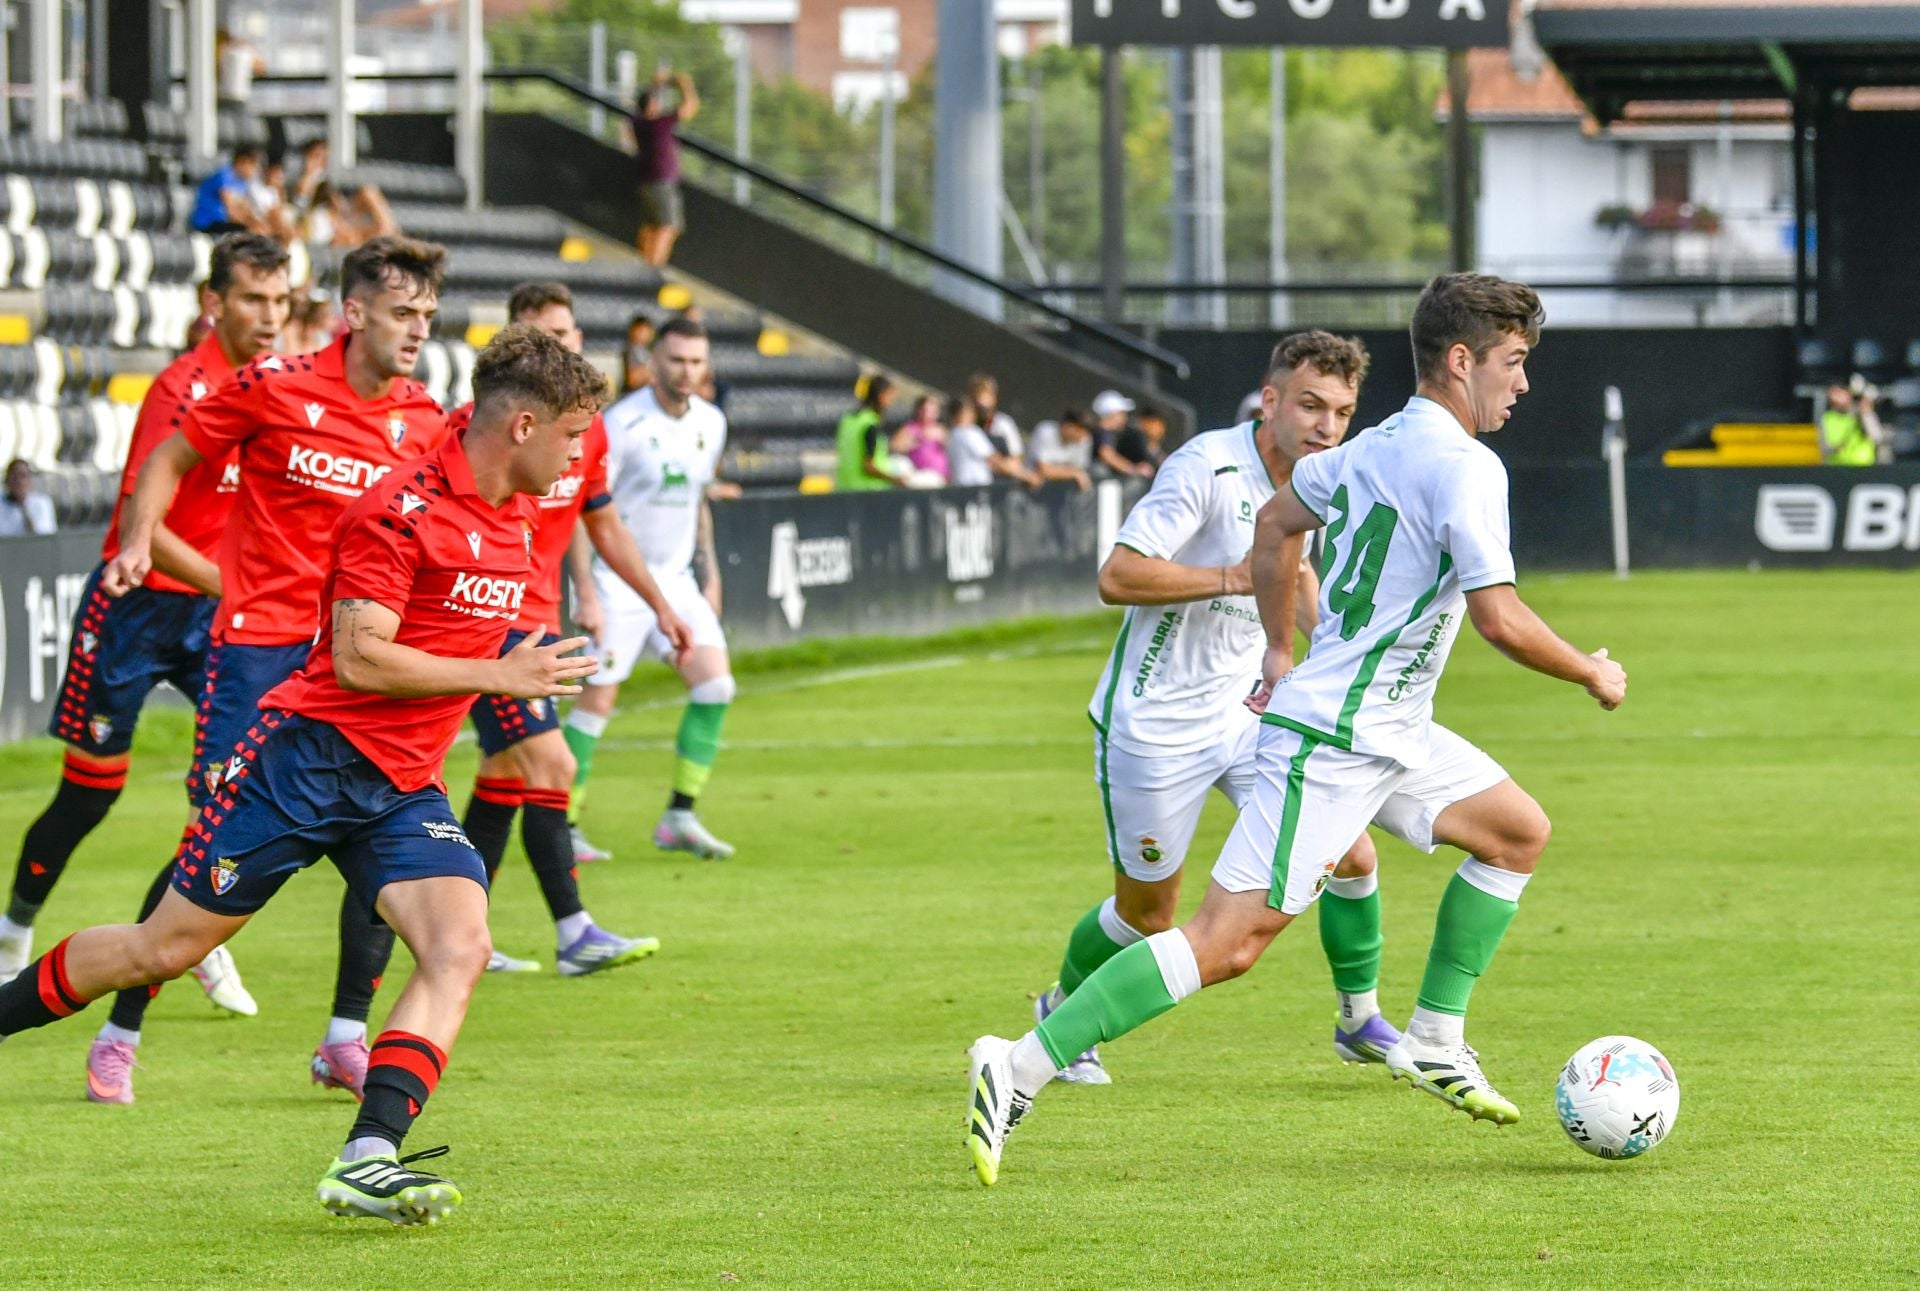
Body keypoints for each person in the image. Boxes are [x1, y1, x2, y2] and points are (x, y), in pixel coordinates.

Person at [966, 273, 1630, 1185]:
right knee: (1225, 941)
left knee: (1517, 832)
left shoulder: (1367, 449)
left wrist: (1280, 647)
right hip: (1336, 740)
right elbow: (1499, 618)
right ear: (1461, 359)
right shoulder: (1468, 466)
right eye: (1513, 362)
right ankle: (1018, 1063)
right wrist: (1590, 669)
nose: (1522, 382)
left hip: (1390, 725)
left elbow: (1277, 524)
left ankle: (1435, 1037)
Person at [0, 324, 611, 1225]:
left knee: (460, 945)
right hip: (303, 765)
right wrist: (498, 674)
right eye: (572, 434)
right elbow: (360, 658)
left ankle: (368, 1156)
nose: (578, 457)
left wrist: (517, 669)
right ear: (523, 426)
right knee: (162, 949)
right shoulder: (397, 511)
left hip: (400, 787)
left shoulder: (512, 512)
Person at [86, 236, 453, 1105]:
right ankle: (118, 1034)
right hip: (256, 649)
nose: (418, 330)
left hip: (352, 660)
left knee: (382, 830)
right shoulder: (275, 385)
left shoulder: (426, 420)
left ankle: (345, 1037)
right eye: (402, 312)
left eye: (428, 315)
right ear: (353, 312)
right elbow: (168, 459)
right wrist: (139, 536)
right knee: (210, 844)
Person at [1028, 332, 1384, 1089]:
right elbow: (1118, 575)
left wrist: (1339, 647)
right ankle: (1059, 1012)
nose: (1326, 426)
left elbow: (1297, 570)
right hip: (1156, 724)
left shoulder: (1320, 476)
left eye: (1341, 412)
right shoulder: (1206, 466)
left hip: (1248, 712)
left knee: (1350, 850)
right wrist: (1236, 575)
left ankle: (1359, 1020)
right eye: (1311, 405)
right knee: (1148, 916)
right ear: (1270, 400)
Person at [0, 236, 291, 1026]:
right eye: (253, 299)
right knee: (88, 795)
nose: (269, 316)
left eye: (280, 300)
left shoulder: (282, 388)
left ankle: (194, 931)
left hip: (216, 618)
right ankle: (15, 926)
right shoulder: (181, 388)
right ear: (214, 303)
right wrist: (242, 584)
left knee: (233, 790)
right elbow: (144, 524)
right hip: (136, 608)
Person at [453, 282, 692, 977]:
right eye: (544, 333)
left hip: (538, 625)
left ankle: (461, 935)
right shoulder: (479, 427)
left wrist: (658, 603)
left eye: (567, 332)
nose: (560, 344)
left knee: (504, 773)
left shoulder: (588, 427)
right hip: (489, 626)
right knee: (553, 765)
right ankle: (574, 932)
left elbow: (603, 522)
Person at [564, 316, 738, 862]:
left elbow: (699, 501)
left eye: (696, 362)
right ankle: (564, 823)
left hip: (676, 580)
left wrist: (710, 574)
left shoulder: (712, 422)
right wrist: (586, 590)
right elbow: (585, 507)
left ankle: (679, 816)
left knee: (716, 686)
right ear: (654, 363)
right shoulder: (620, 424)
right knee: (596, 703)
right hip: (617, 581)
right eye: (677, 360)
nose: (686, 371)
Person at [630, 68, 700, 268]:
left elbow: (645, 100)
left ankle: (645, 268)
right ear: (652, 105)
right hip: (662, 182)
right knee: (668, 227)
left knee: (652, 227)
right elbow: (691, 106)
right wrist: (684, 84)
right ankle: (654, 269)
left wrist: (657, 84)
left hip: (646, 182)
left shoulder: (638, 123)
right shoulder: (660, 124)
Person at [948, 396, 1039, 489]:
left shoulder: (952, 435)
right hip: (976, 489)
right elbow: (995, 461)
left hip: (961, 488)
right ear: (966, 412)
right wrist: (1027, 476)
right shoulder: (970, 432)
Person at [835, 375, 898, 491]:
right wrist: (894, 479)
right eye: (890, 396)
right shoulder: (870, 425)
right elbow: (868, 466)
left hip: (844, 488)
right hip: (868, 491)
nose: (892, 401)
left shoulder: (848, 420)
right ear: (881, 396)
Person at [190, 145, 269, 236]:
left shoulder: (242, 182)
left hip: (224, 223)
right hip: (209, 222)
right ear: (243, 161)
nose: (254, 171)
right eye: (253, 166)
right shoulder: (225, 175)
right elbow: (231, 211)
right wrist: (252, 224)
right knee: (253, 232)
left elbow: (244, 207)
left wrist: (259, 222)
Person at [1820, 378, 1887, 466]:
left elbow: (1877, 437)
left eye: (1838, 393)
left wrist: (1865, 414)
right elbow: (1824, 448)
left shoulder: (1862, 412)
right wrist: (1836, 448)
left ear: (1848, 393)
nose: (1834, 399)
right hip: (1837, 468)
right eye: (1831, 395)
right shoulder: (1827, 418)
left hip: (1863, 467)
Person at [1026, 409, 1094, 491]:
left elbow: (1079, 469)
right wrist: (1074, 473)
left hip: (1062, 490)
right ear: (1069, 426)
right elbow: (1043, 470)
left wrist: (1072, 473)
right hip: (1031, 488)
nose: (1083, 436)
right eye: (1080, 431)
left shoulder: (1084, 440)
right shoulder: (1046, 431)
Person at [1090, 390, 1151, 478]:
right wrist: (1134, 470)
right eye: (1121, 413)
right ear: (1112, 414)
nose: (1124, 417)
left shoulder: (1107, 433)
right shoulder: (1103, 433)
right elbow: (1107, 454)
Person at [892, 393, 949, 484]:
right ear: (918, 410)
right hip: (917, 475)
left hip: (939, 477)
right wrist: (917, 440)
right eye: (924, 410)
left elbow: (952, 451)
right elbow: (894, 447)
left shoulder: (941, 430)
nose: (927, 414)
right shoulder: (909, 428)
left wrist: (942, 440)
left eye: (932, 411)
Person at [214, 28, 265, 113]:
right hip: (238, 96)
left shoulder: (221, 50)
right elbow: (261, 70)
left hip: (221, 95)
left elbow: (218, 73)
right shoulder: (245, 52)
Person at [0, 460, 55, 535]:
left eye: (23, 476)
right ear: (6, 479)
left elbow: (43, 536)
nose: (18, 481)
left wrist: (23, 507)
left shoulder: (42, 503)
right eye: (14, 476)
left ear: (29, 480)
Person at [623, 314, 656, 394]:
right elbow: (632, 380)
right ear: (632, 330)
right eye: (640, 330)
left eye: (646, 331)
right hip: (632, 395)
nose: (643, 334)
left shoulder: (645, 351)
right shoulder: (632, 350)